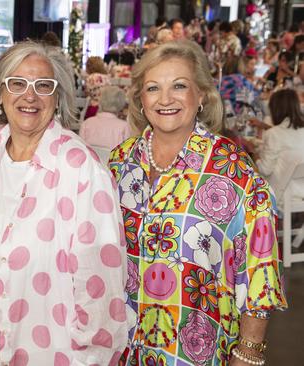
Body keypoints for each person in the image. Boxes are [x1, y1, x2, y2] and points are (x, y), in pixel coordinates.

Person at [109, 40, 287, 365]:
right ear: (140, 99)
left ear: (201, 94)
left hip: (196, 350)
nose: (165, 99)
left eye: (179, 85)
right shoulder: (120, 162)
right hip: (123, 344)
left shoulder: (232, 168)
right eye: (153, 88)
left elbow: (261, 270)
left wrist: (248, 353)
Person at [0, 41, 128, 365]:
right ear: (1, 93)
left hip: (50, 351)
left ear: (57, 98)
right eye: (17, 83)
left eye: (43, 85)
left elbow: (101, 283)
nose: (30, 96)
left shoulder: (80, 168)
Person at [254, 88, 304, 201]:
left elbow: (265, 169)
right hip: (300, 189)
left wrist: (254, 153)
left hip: (281, 192)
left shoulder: (274, 134)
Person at [79, 85, 132, 150]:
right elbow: (127, 152)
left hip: (89, 159)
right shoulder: (124, 127)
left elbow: (80, 148)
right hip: (113, 159)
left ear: (101, 100)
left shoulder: (86, 123)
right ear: (121, 104)